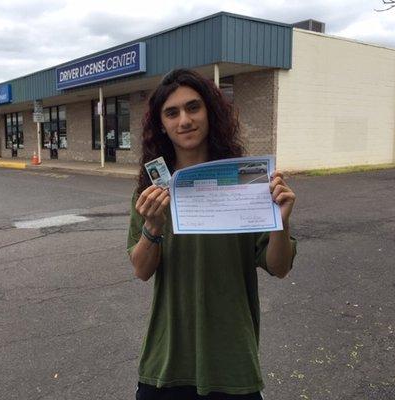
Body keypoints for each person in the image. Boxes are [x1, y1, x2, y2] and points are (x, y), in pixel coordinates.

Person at [127, 69, 297, 400]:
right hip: (167, 364)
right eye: (172, 112)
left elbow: (279, 267)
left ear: (210, 112)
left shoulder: (248, 182)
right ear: (161, 124)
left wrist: (281, 221)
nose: (184, 120)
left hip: (232, 365)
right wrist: (153, 227)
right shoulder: (150, 193)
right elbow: (141, 270)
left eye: (194, 107)